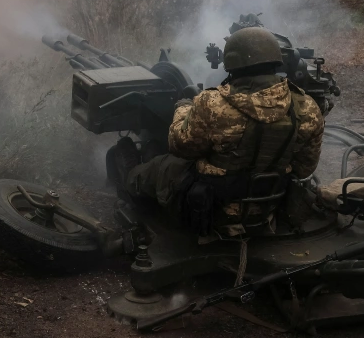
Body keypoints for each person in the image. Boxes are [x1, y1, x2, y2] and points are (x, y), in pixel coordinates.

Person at [116, 27, 325, 238]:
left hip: (211, 210)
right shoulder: (306, 106)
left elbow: (180, 145)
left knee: (159, 166)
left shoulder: (212, 104)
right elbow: (304, 167)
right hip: (268, 207)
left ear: (232, 64)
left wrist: (184, 108)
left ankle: (129, 185)